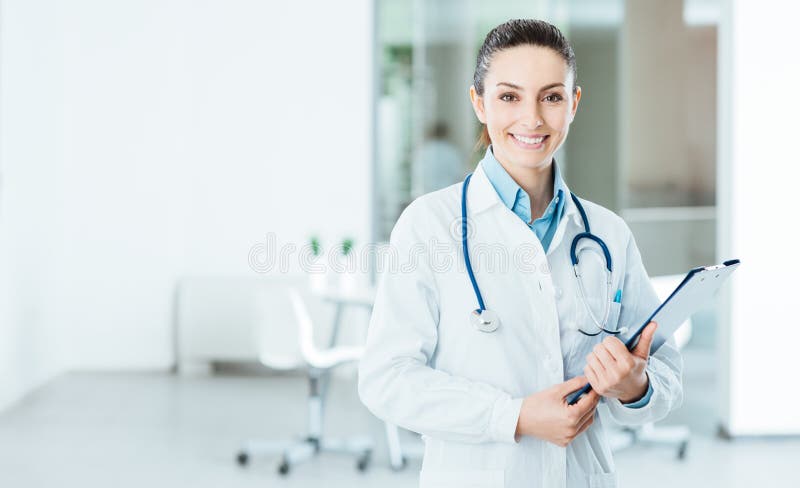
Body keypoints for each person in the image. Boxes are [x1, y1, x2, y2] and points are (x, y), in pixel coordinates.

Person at [358, 19, 682, 488]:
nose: (532, 118)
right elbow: (386, 379)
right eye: (509, 96)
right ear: (479, 103)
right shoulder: (428, 225)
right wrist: (514, 417)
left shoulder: (607, 234)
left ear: (573, 105)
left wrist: (636, 388)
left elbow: (664, 365)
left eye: (551, 97)